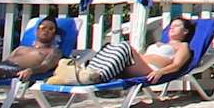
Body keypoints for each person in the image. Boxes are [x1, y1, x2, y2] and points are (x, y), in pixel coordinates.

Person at [51, 16, 196, 87]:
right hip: (139, 66)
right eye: (171, 25)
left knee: (124, 46)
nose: (172, 28)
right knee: (110, 47)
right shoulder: (162, 42)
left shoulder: (183, 46)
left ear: (185, 31)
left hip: (152, 71)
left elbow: (177, 65)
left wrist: (161, 72)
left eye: (177, 26)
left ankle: (96, 77)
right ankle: (86, 73)